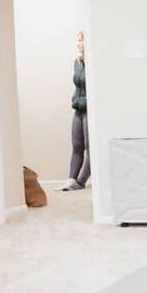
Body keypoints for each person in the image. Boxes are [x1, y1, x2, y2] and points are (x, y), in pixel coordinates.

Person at [65, 31, 90, 190]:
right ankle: (71, 180)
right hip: (78, 110)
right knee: (77, 146)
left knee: (90, 149)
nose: (78, 43)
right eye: (78, 40)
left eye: (81, 40)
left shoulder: (93, 63)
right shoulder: (77, 62)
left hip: (89, 111)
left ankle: (80, 182)